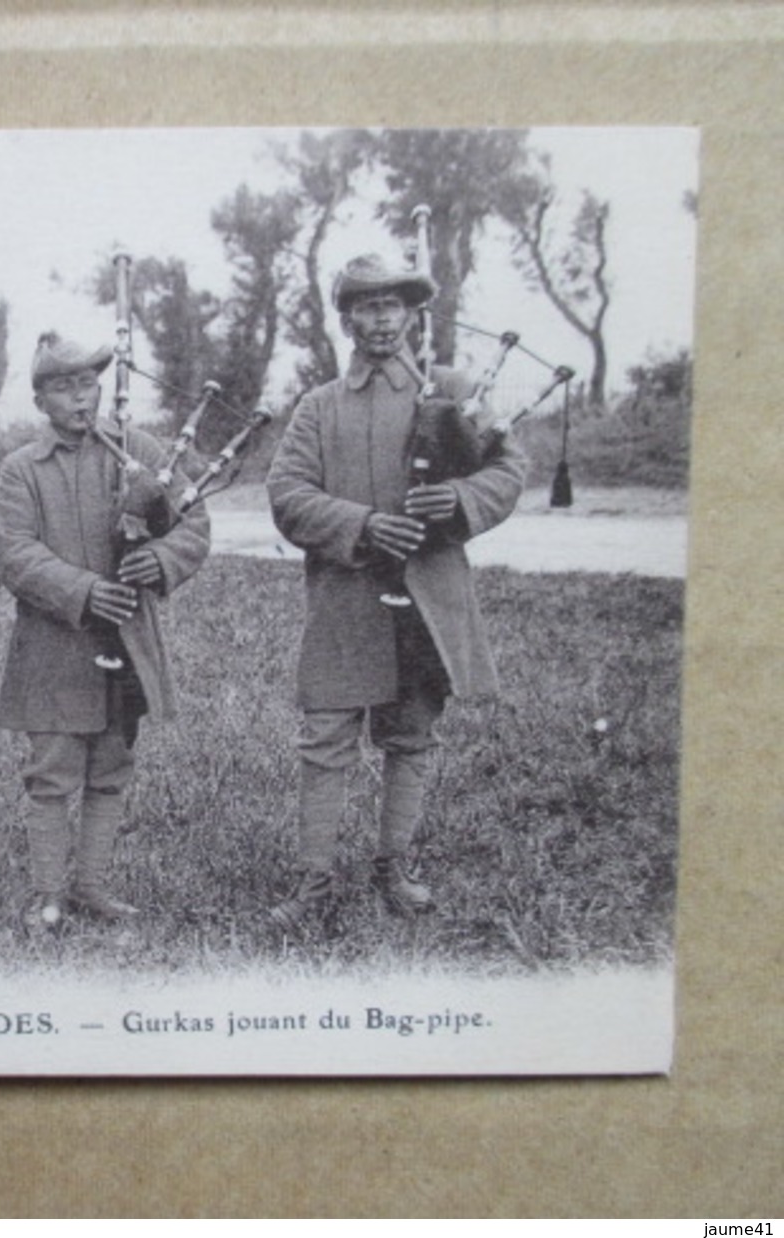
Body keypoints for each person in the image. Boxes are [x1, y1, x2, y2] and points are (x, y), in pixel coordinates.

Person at [264, 253, 526, 932]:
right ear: (348, 318)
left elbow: (509, 467)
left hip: (428, 600)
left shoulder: (454, 392)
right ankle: (312, 881)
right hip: (346, 599)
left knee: (411, 736)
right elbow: (288, 496)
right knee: (325, 736)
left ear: (413, 315)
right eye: (366, 306)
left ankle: (394, 867)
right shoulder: (319, 407)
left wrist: (459, 497)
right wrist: (364, 525)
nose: (380, 319)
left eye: (393, 306)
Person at [0, 333, 211, 929]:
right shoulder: (22, 470)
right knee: (53, 768)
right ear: (40, 402)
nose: (79, 398)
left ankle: (91, 886)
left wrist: (160, 561)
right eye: (63, 388)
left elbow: (192, 521)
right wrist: (83, 591)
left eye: (87, 383)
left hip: (127, 641)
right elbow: (14, 552)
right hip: (54, 646)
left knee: (112, 762)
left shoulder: (140, 451)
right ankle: (46, 893)